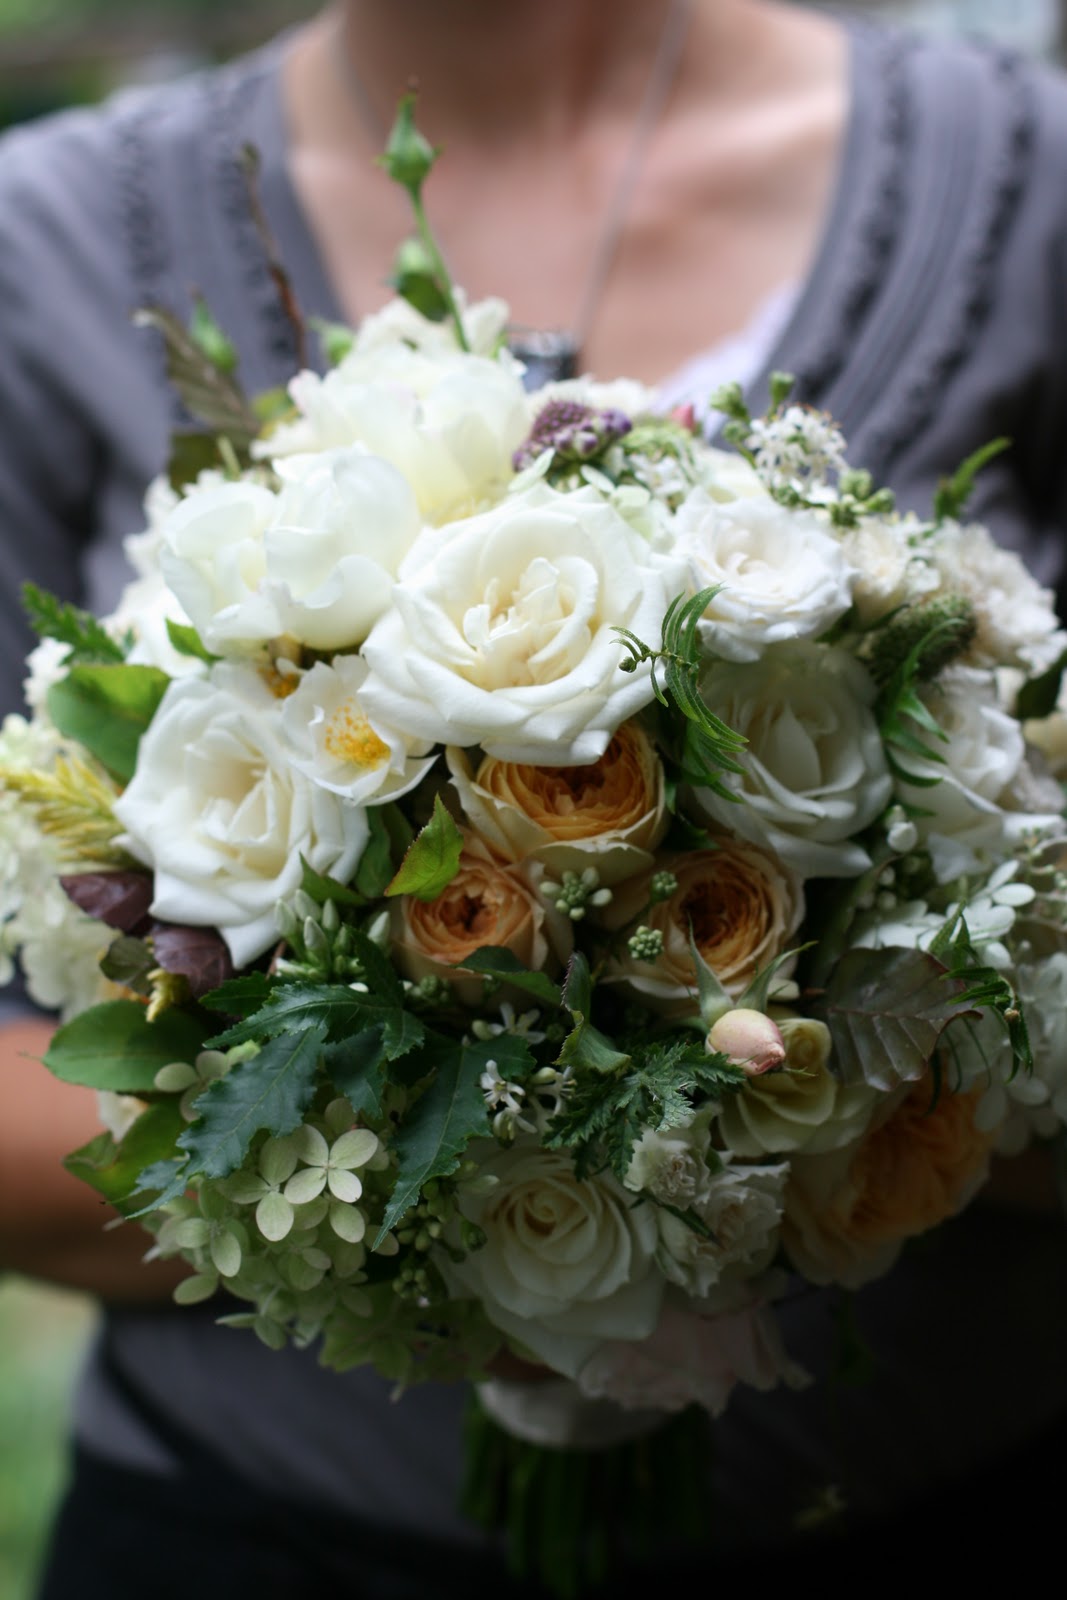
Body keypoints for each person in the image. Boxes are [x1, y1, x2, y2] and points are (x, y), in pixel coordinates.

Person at [1, 1, 1066, 1593]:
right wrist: (520, 1189)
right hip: (255, 1545)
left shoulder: (1024, 175)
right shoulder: (45, 241)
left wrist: (833, 1103)